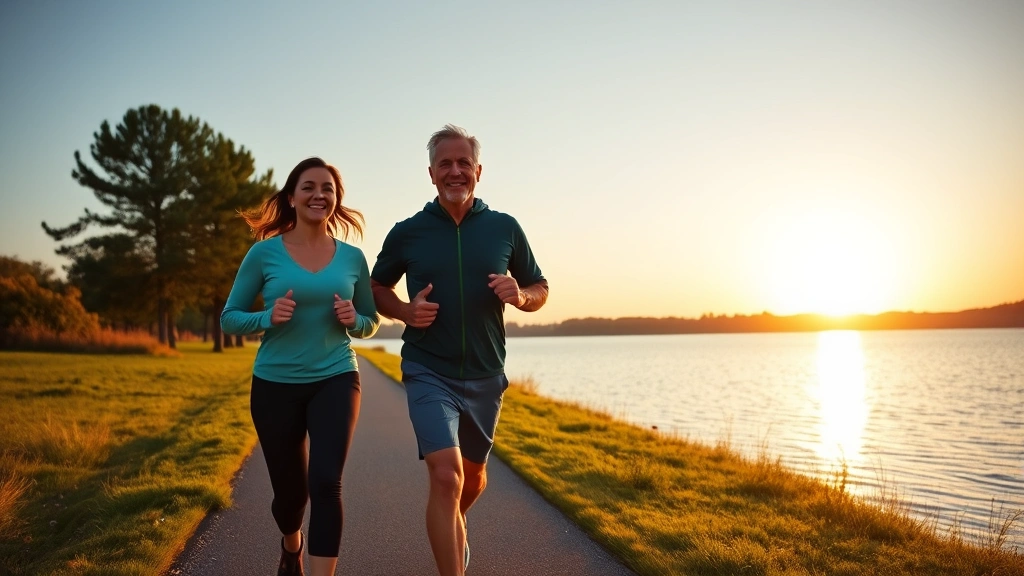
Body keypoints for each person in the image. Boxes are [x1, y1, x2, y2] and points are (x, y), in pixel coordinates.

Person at [370, 124, 549, 575]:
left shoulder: (504, 227)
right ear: (431, 173)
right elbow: (375, 287)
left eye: (463, 163)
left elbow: (539, 285)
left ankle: (454, 521)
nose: (455, 171)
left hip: (487, 374)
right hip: (428, 368)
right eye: (445, 164)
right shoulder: (408, 232)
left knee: (471, 480)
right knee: (445, 476)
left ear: (478, 171)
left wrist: (522, 295)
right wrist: (405, 313)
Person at [221, 157, 380, 576]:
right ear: (291, 197)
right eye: (308, 187)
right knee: (291, 496)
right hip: (275, 384)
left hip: (336, 376)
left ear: (336, 200)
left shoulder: (352, 258)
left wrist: (355, 320)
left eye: (327, 188)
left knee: (326, 484)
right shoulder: (263, 254)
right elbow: (230, 316)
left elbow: (370, 321)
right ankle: (292, 545)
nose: (319, 195)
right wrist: (265, 318)